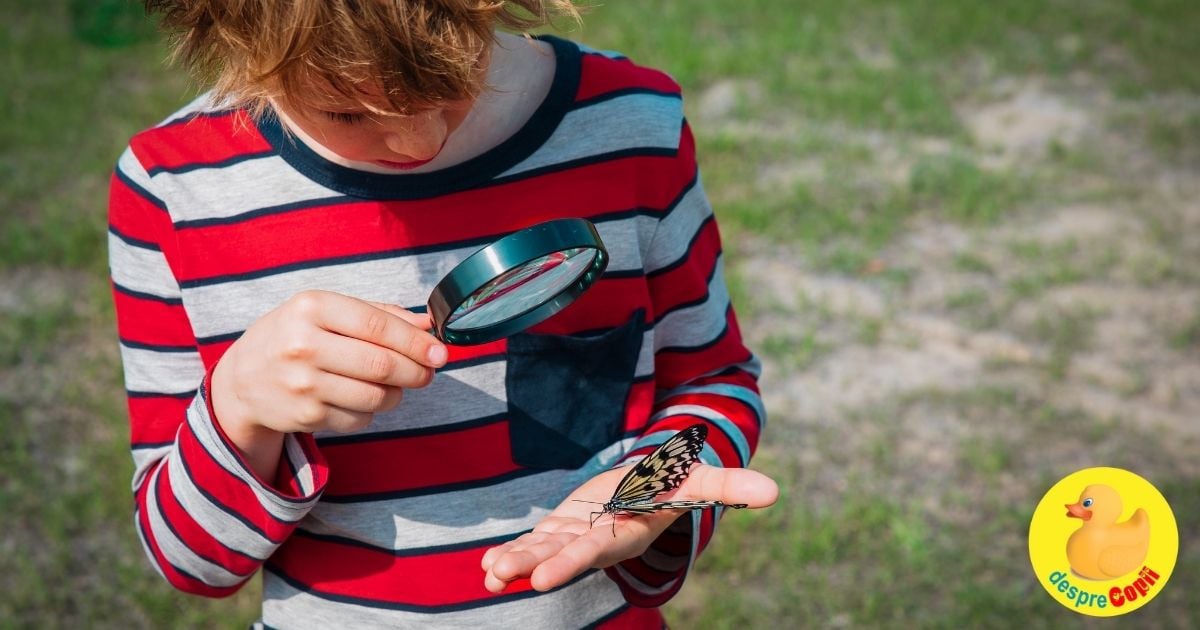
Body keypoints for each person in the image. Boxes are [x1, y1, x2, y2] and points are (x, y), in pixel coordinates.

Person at [109, 0, 778, 626]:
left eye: (453, 80)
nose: (416, 141)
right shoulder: (174, 192)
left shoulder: (627, 127)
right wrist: (238, 410)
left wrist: (645, 492)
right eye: (346, 112)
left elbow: (712, 379)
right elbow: (187, 559)